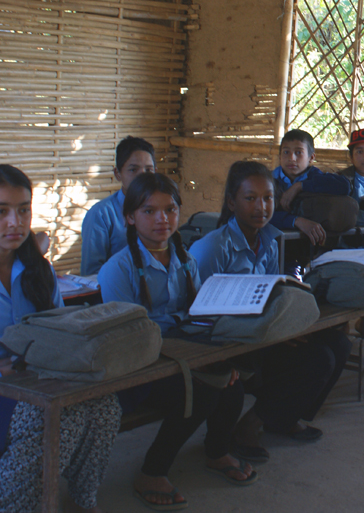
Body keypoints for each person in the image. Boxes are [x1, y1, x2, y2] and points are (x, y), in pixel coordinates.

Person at [99, 173, 257, 511]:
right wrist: (184, 333)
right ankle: (151, 472)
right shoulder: (117, 269)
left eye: (170, 209)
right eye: (149, 211)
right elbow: (128, 337)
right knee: (200, 392)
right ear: (130, 217)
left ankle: (217, 452)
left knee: (232, 384)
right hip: (138, 368)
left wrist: (214, 360)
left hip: (182, 355)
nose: (162, 219)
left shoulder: (185, 259)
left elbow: (199, 316)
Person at [189, 162, 350, 462]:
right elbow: (201, 315)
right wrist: (272, 332)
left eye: (268, 198)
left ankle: (282, 417)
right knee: (317, 358)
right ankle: (250, 425)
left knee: (338, 344)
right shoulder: (212, 248)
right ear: (231, 202)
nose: (261, 207)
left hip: (261, 333)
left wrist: (283, 326)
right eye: (250, 198)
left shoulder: (270, 242)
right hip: (226, 342)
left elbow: (271, 296)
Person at [0, 164, 121, 513]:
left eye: (23, 210)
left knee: (104, 405)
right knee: (53, 415)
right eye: (1, 211)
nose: (14, 222)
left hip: (38, 378)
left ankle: (83, 499)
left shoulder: (38, 270)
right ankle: (17, 503)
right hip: (11, 389)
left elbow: (60, 330)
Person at [81, 136, 156, 275]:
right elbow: (92, 273)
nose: (142, 176)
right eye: (133, 170)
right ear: (118, 174)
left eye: (149, 170)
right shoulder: (101, 214)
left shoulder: (162, 211)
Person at [271, 129, 351, 245]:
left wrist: (300, 186)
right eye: (286, 152)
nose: (291, 158)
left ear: (311, 157)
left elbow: (344, 186)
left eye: (298, 152)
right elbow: (257, 214)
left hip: (311, 244)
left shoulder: (315, 176)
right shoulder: (268, 180)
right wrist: (295, 220)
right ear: (279, 156)